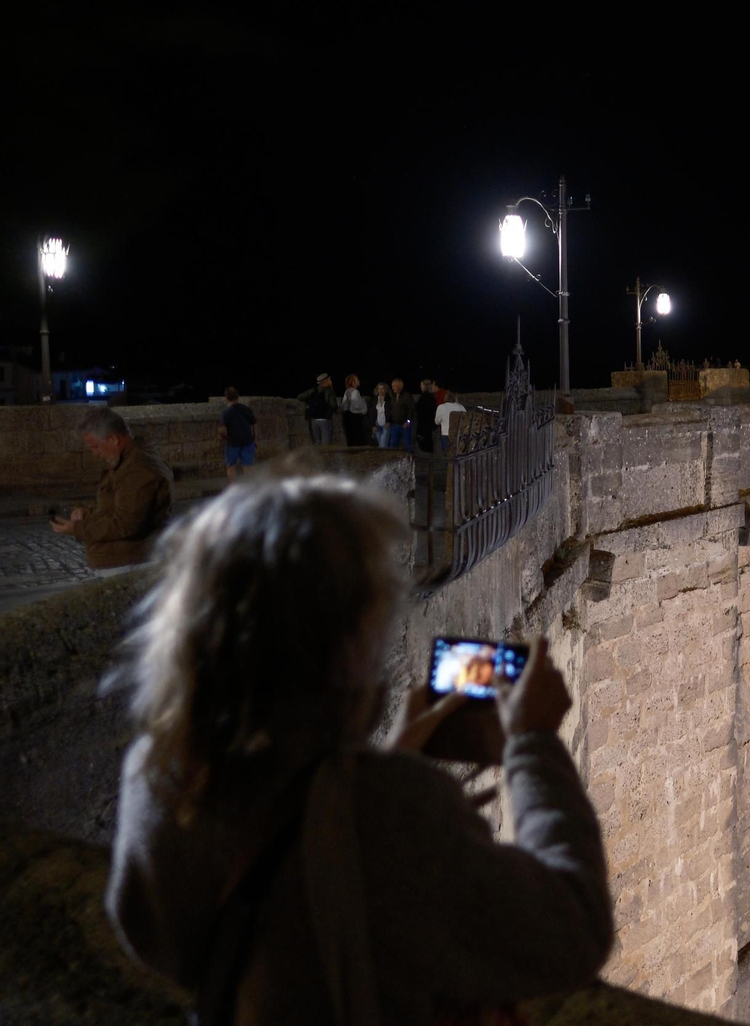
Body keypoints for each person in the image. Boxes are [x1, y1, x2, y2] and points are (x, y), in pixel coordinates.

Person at [104, 476, 613, 1025]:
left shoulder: (156, 774)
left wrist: (386, 763)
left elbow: (159, 933)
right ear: (343, 645)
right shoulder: (392, 811)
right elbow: (574, 929)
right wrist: (534, 742)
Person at [50, 407, 174, 577]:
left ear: (113, 439)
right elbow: (117, 505)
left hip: (129, 563)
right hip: (124, 561)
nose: (95, 454)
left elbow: (127, 523)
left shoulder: (137, 469)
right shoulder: (128, 462)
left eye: (95, 447)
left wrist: (77, 529)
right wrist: (88, 512)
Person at [218, 387, 256, 482]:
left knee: (231, 467)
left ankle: (234, 489)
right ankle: (249, 489)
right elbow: (255, 424)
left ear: (226, 398)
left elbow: (222, 430)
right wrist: (254, 438)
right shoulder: (246, 409)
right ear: (238, 396)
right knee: (247, 467)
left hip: (232, 443)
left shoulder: (226, 413)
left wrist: (224, 438)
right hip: (247, 441)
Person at [297, 373, 337, 446]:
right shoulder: (329, 391)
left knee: (317, 444)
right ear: (326, 381)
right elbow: (333, 405)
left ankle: (318, 457)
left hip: (313, 421)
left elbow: (300, 397)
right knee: (325, 444)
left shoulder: (313, 390)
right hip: (325, 420)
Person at [340, 374, 368, 448]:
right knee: (357, 439)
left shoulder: (347, 391)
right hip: (355, 418)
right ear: (353, 382)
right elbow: (357, 405)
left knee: (351, 439)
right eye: (357, 380)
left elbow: (344, 405)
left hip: (347, 417)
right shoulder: (355, 392)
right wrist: (363, 405)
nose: (358, 381)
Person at [435, 390, 467, 455]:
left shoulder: (441, 407)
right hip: (458, 434)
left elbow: (437, 421)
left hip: (446, 434)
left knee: (448, 454)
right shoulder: (461, 407)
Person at [388, 378, 415, 451]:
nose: (393, 388)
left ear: (400, 386)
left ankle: (410, 460)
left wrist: (408, 422)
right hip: (395, 424)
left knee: (407, 443)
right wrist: (389, 421)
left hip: (404, 425)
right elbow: (391, 409)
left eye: (395, 386)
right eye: (392, 386)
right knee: (393, 444)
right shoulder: (393, 396)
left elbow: (411, 410)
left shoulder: (407, 396)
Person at [414, 378, 438, 454]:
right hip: (428, 424)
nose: (420, 387)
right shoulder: (431, 397)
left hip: (424, 424)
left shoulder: (424, 397)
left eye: (421, 385)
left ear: (425, 386)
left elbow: (421, 411)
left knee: (424, 444)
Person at [371, 382, 392, 449]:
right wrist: (372, 425)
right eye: (379, 389)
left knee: (383, 445)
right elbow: (371, 413)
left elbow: (392, 412)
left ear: (386, 390)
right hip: (377, 424)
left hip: (386, 424)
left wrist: (389, 421)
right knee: (381, 444)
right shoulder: (374, 400)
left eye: (382, 389)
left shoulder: (389, 400)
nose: (380, 390)